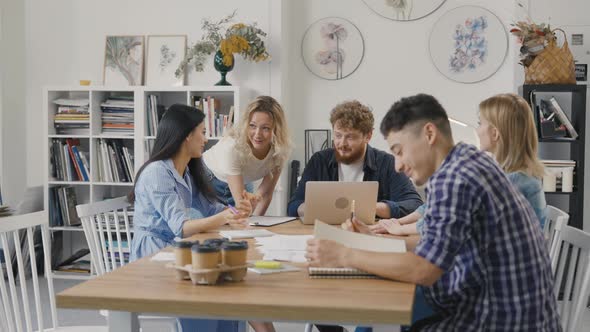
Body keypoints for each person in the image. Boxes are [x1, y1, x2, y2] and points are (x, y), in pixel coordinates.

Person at [307, 94, 560, 331]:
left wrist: (345, 254)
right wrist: (372, 240)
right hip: (515, 314)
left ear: (429, 134)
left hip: (496, 320)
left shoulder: (455, 178)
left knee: (382, 315)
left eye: (399, 150)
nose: (397, 165)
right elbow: (437, 242)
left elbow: (424, 270)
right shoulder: (468, 160)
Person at [129, 104, 252, 332]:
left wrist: (239, 210)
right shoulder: (158, 172)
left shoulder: (185, 171)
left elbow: (212, 209)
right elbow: (181, 227)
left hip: (174, 250)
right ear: (187, 136)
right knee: (208, 290)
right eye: (202, 132)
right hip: (152, 255)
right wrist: (225, 216)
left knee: (228, 291)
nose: (206, 139)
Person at [371, 93, 547, 237]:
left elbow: (443, 222)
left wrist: (399, 229)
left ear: (495, 133)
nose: (477, 131)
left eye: (480, 124)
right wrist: (398, 223)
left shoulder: (511, 182)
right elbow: (432, 210)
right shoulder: (503, 173)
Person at [287, 100, 422, 219]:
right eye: (338, 135)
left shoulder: (387, 163)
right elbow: (293, 206)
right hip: (324, 232)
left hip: (369, 235)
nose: (342, 143)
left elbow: (415, 205)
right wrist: (310, 209)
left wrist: (370, 208)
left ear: (368, 136)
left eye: (350, 137)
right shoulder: (319, 161)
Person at [203, 96, 292, 216]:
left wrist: (257, 223)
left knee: (243, 220)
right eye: (252, 126)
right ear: (246, 124)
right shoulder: (233, 147)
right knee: (216, 227)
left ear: (277, 130)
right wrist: (246, 220)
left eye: (265, 128)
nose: (257, 134)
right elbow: (242, 207)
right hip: (208, 179)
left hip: (241, 179)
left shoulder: (280, 151)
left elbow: (265, 195)